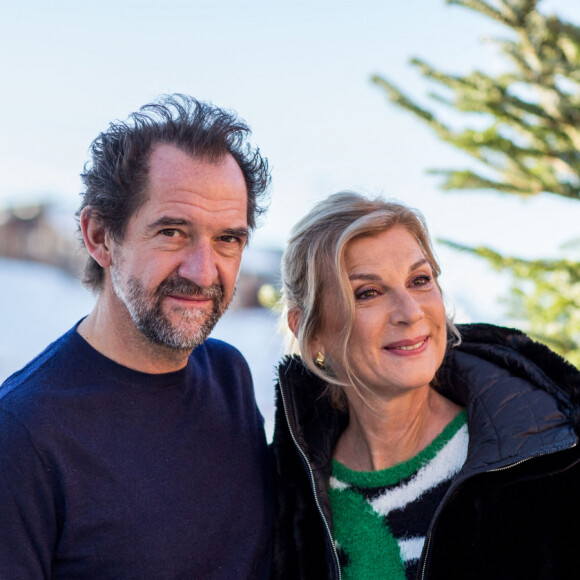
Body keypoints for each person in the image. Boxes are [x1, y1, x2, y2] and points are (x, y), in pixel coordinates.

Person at [0, 94, 273, 579]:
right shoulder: (22, 434)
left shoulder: (230, 377)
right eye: (172, 232)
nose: (203, 271)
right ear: (100, 236)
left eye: (227, 239)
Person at [270, 191, 580, 580]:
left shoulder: (549, 460)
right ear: (309, 332)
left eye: (420, 280)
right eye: (368, 293)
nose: (411, 312)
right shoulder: (281, 494)